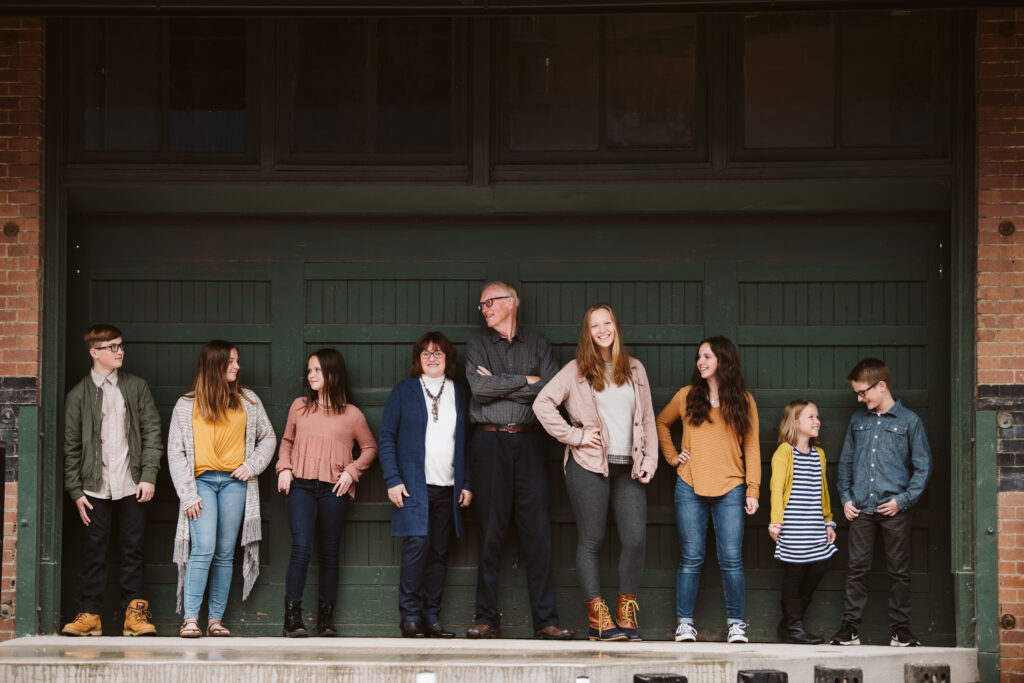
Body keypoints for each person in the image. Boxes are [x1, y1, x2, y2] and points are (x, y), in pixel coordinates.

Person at [533, 303, 658, 642]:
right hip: (588, 466)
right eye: (594, 326)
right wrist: (575, 436)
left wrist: (649, 462)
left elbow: (647, 419)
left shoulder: (634, 369)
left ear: (615, 327)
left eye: (607, 323)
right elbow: (542, 403)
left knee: (634, 539)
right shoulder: (576, 370)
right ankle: (597, 619)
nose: (602, 329)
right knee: (592, 540)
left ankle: (625, 613)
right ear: (587, 333)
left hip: (628, 467)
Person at [464, 281, 572, 640]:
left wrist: (500, 383)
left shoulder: (538, 343)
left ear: (511, 303)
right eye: (482, 306)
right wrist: (526, 380)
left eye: (489, 303)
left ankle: (546, 621)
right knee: (490, 533)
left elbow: (552, 388)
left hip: (529, 445)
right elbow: (479, 391)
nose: (484, 310)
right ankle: (486, 619)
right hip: (488, 443)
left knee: (537, 533)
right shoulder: (477, 344)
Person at [167, 340, 276, 638]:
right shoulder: (186, 404)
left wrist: (252, 466)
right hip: (200, 483)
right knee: (203, 548)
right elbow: (175, 452)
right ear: (214, 364)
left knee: (226, 552)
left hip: (234, 483)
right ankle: (191, 619)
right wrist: (187, 494)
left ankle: (215, 619)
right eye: (230, 362)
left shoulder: (248, 400)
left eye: (237, 361)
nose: (237, 367)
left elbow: (268, 437)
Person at [656, 336, 760, 644]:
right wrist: (673, 457)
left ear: (723, 361)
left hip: (731, 488)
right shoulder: (687, 396)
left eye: (707, 357)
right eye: (699, 356)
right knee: (691, 557)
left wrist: (752, 489)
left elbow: (752, 447)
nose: (701, 362)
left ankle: (736, 625)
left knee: (731, 559)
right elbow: (662, 422)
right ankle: (685, 624)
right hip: (690, 485)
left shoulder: (744, 400)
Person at [61, 324, 162, 637]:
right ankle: (90, 615)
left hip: (132, 484)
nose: (120, 351)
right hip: (94, 487)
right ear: (94, 352)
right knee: (94, 552)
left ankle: (135, 616)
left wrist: (148, 476)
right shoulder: (78, 395)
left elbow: (152, 433)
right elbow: (71, 447)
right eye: (112, 347)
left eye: (120, 346)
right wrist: (75, 491)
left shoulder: (136, 387)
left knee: (133, 549)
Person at [830, 357, 932, 648]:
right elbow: (846, 462)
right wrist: (846, 498)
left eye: (863, 392)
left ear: (882, 385)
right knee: (856, 569)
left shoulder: (910, 421)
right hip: (861, 509)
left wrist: (903, 500)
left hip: (895, 511)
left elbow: (923, 467)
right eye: (858, 394)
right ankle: (849, 630)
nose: (860, 399)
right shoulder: (857, 421)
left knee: (899, 571)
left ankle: (901, 631)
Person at [276, 348, 378, 638]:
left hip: (334, 489)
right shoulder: (299, 406)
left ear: (333, 373)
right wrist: (284, 467)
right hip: (301, 486)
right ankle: (292, 619)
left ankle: (325, 620)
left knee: (330, 552)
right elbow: (286, 441)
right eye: (309, 370)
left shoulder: (352, 414)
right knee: (301, 548)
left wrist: (352, 471)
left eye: (317, 370)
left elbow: (370, 448)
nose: (311, 375)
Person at [379, 332, 471, 639]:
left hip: (448, 486)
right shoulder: (404, 390)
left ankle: (432, 617)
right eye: (426, 354)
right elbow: (387, 438)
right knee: (417, 546)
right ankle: (410, 618)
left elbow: (466, 444)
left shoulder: (459, 392)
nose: (432, 358)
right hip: (414, 486)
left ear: (448, 359)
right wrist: (393, 479)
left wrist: (466, 483)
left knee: (439, 552)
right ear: (418, 359)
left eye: (438, 353)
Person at [768, 400, 836, 644]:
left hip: (815, 524)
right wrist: (775, 522)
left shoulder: (819, 454)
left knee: (819, 566)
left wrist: (829, 522)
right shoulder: (785, 452)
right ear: (795, 423)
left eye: (817, 417)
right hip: (792, 525)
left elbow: (823, 490)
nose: (817, 421)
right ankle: (795, 628)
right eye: (810, 417)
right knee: (794, 572)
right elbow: (776, 489)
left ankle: (789, 623)